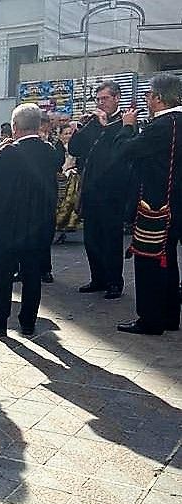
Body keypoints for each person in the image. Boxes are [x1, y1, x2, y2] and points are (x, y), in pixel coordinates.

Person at [0, 103, 61, 337]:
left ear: (15, 127)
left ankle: (0, 322)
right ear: (37, 126)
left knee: (3, 276)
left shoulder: (9, 152)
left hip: (7, 226)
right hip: (38, 225)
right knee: (32, 276)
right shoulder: (50, 152)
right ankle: (28, 322)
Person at [114, 74, 182, 335]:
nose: (145, 100)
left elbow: (125, 150)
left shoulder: (160, 126)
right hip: (177, 205)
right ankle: (169, 316)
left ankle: (151, 319)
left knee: (150, 262)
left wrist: (127, 126)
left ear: (158, 98)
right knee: (170, 260)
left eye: (148, 95)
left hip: (156, 206)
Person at [69, 80, 127, 299]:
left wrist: (105, 126)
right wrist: (78, 130)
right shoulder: (93, 121)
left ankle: (114, 281)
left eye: (105, 98)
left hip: (113, 191)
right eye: (98, 99)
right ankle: (98, 278)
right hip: (91, 189)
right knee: (91, 237)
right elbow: (75, 149)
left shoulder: (125, 122)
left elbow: (120, 150)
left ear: (116, 98)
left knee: (111, 238)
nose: (101, 103)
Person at [54, 123, 81, 243]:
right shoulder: (58, 148)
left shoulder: (77, 147)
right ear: (60, 136)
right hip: (61, 177)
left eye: (70, 133)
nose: (69, 136)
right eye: (66, 133)